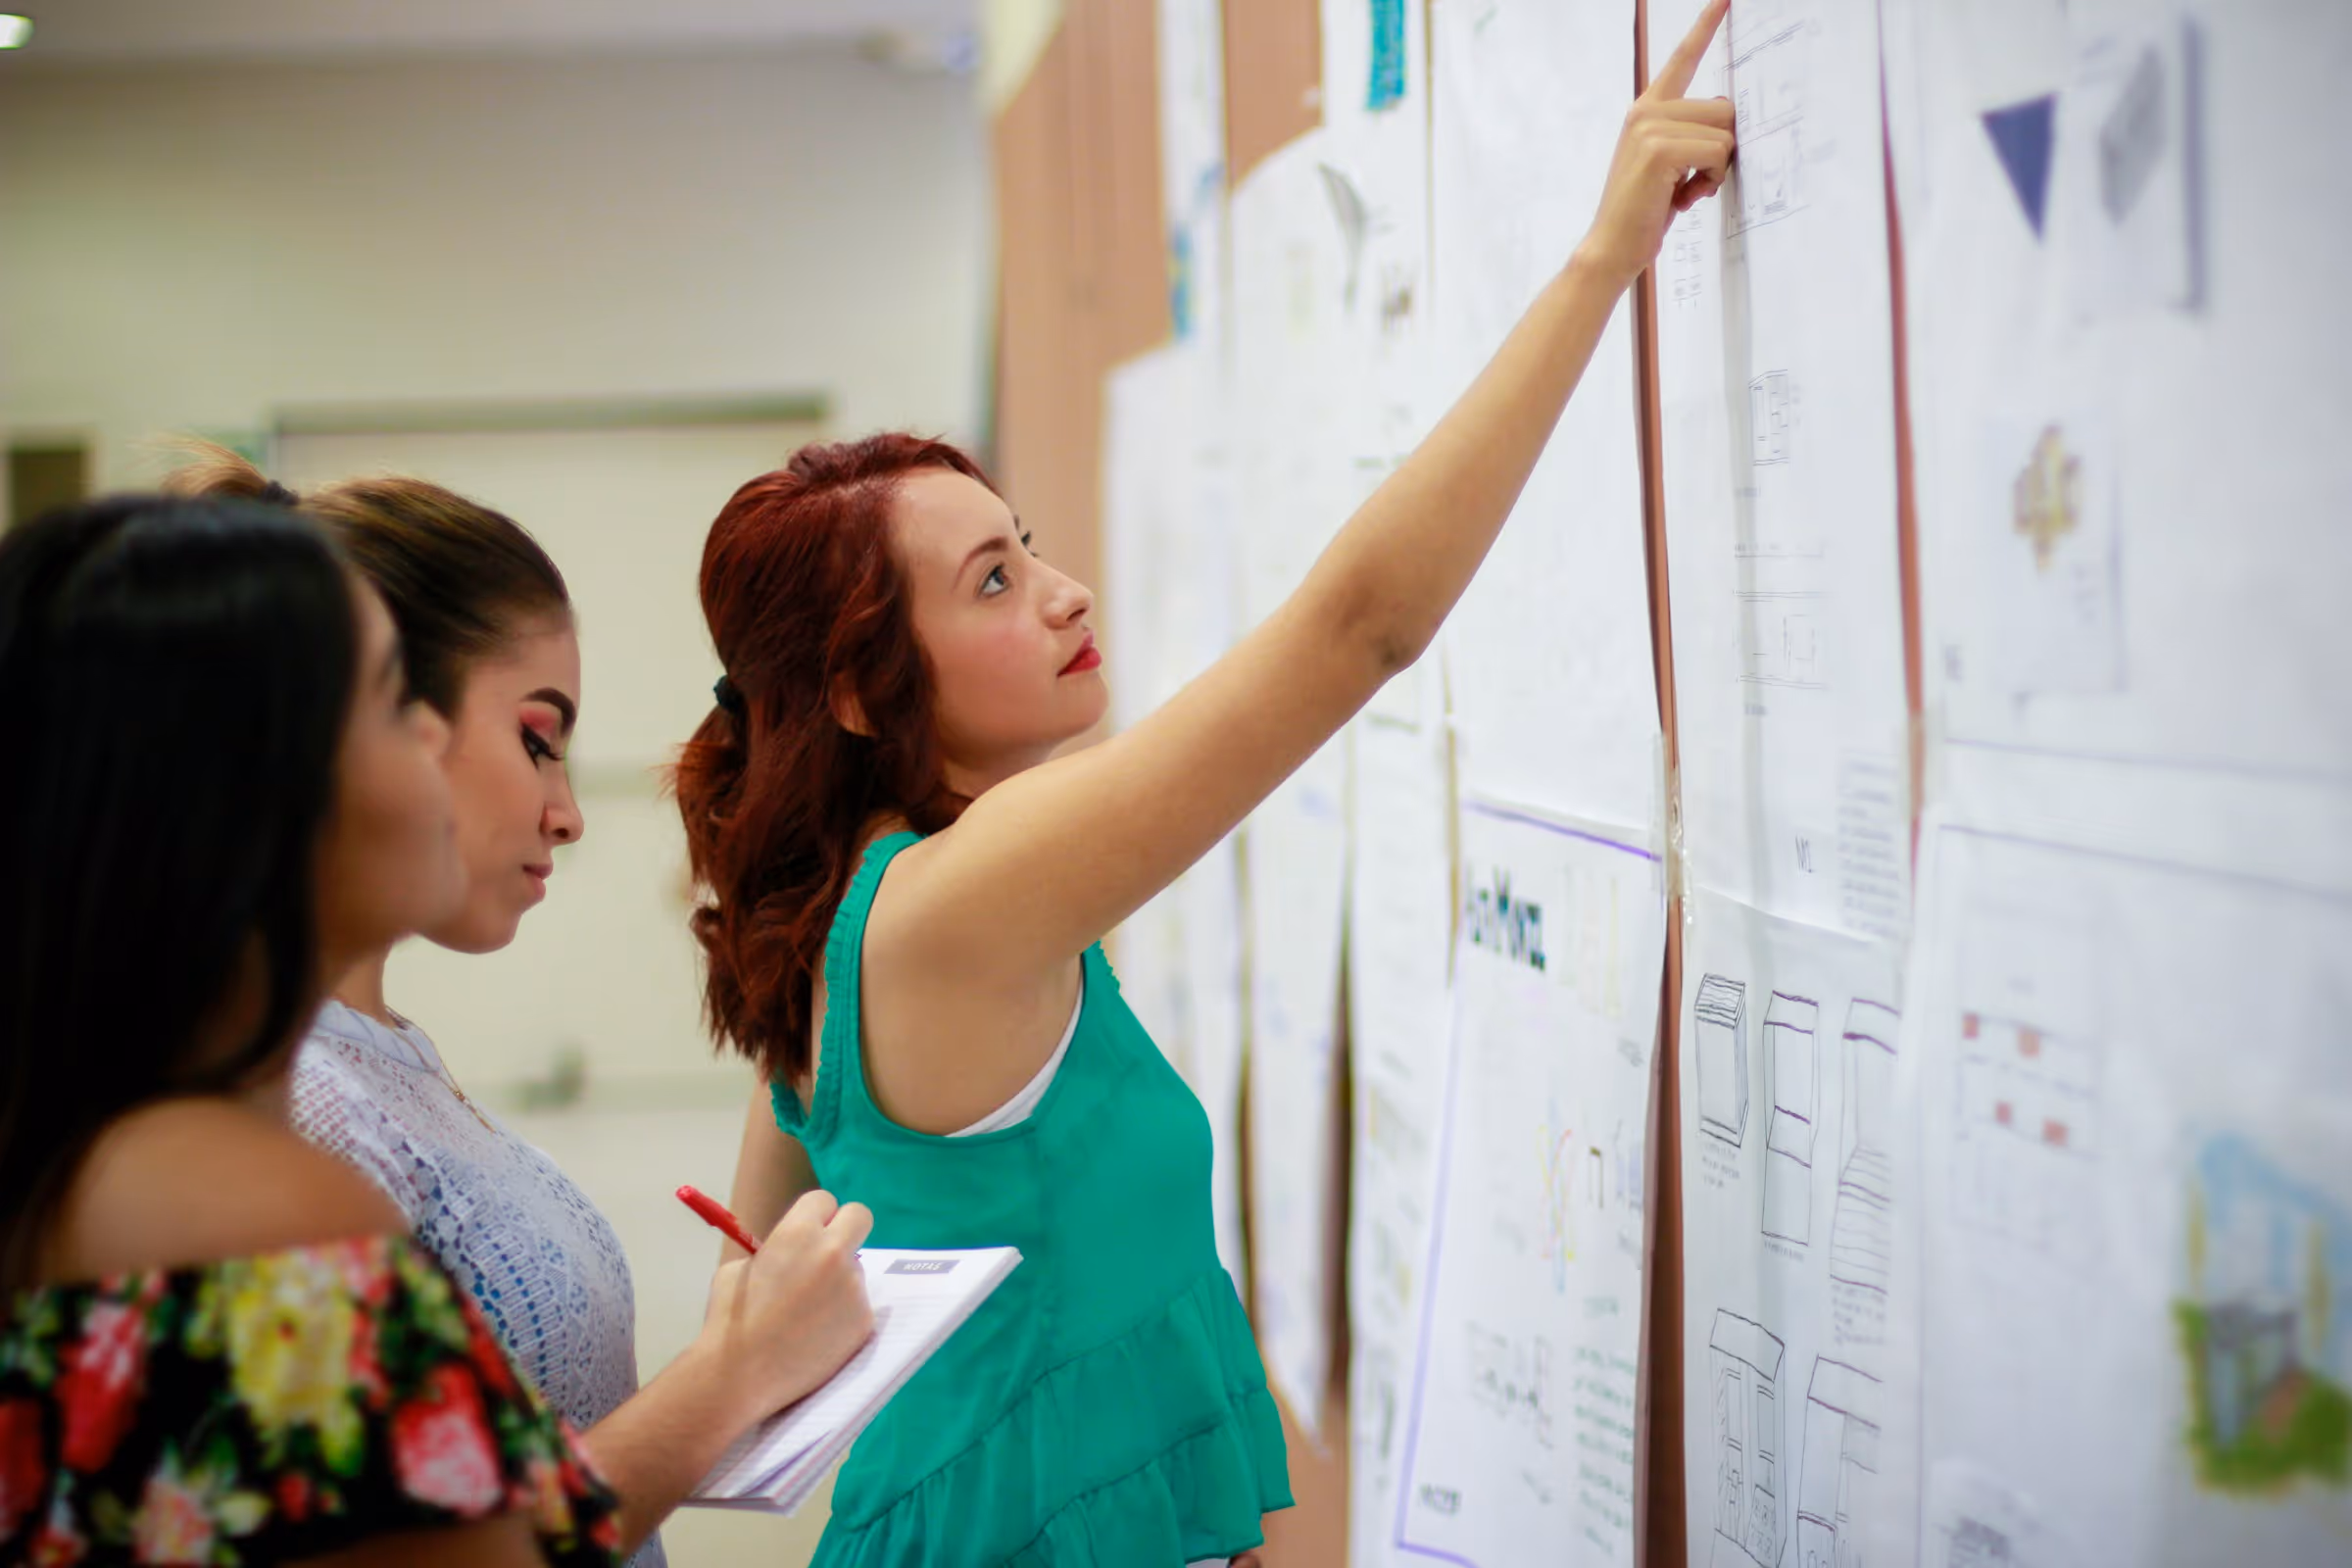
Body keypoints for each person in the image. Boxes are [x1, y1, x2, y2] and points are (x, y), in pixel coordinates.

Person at [676, 7, 1737, 1562]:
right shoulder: (957, 896)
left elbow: (769, 1257)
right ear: (852, 687)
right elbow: (1361, 628)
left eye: (1025, 541)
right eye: (987, 580)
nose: (1059, 591)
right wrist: (1598, 262)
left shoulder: (854, 908)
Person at [165, 449, 877, 1566]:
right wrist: (735, 1368)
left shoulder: (382, 1055)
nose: (566, 813)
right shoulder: (287, 1100)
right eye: (536, 740)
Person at [0, 493, 621, 1565]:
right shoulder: (269, 1215)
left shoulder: (92, 1152)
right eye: (390, 701)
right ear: (250, 786)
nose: (428, 736)